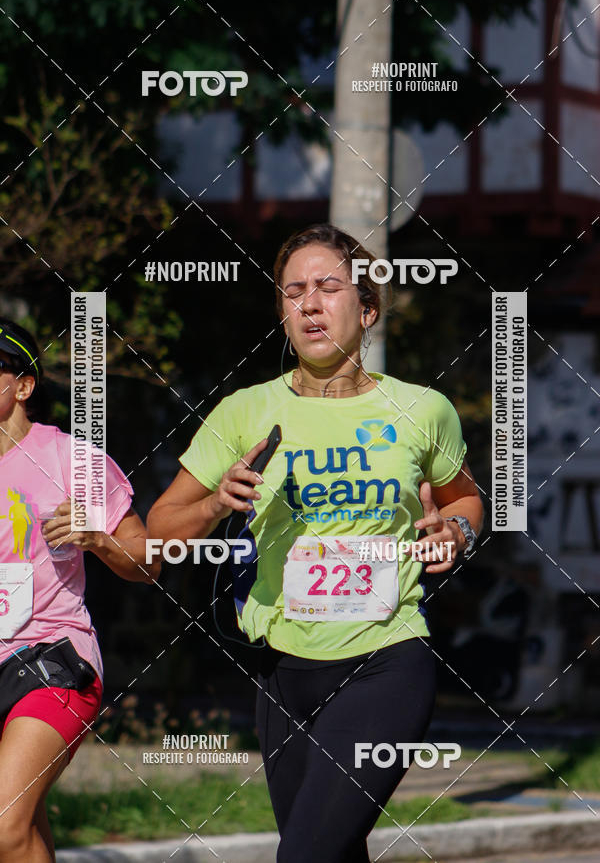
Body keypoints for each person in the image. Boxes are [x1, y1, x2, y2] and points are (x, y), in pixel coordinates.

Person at [148, 224, 484, 863]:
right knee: (333, 853)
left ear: (366, 309)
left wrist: (458, 530)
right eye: (293, 291)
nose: (309, 303)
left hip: (386, 659)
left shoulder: (422, 409)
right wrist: (220, 502)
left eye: (328, 287)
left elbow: (467, 498)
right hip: (282, 669)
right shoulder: (244, 410)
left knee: (304, 855)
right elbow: (160, 529)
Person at [0, 319, 159, 863]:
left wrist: (98, 539)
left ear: (23, 386)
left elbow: (148, 563)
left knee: (3, 824)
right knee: (23, 831)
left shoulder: (73, 460)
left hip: (52, 658)